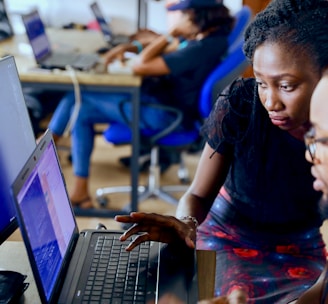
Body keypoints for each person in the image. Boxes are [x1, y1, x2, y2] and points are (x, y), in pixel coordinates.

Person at [115, 0, 328, 303]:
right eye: (262, 83)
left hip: (300, 247)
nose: (270, 102)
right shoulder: (241, 105)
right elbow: (198, 196)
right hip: (226, 235)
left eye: (286, 85)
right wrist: (187, 225)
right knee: (209, 294)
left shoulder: (324, 149)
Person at [47, 0, 234, 210]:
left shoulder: (201, 47)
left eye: (182, 15)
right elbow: (171, 49)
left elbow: (141, 65)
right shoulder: (209, 39)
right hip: (163, 103)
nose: (178, 20)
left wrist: (168, 34)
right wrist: (133, 45)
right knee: (80, 110)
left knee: (78, 96)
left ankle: (47, 146)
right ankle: (78, 190)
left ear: (197, 17)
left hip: (165, 115)